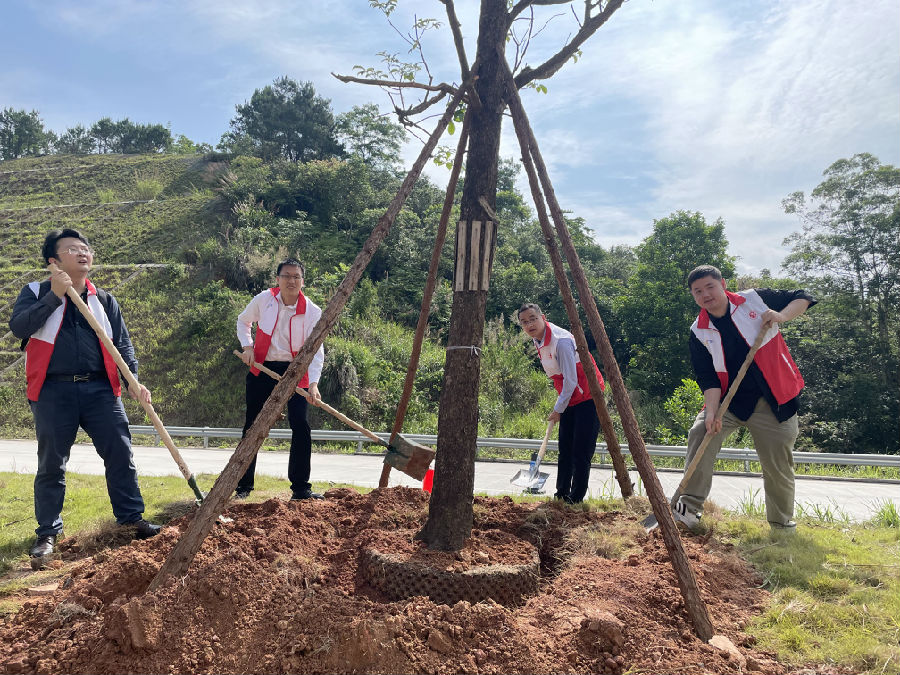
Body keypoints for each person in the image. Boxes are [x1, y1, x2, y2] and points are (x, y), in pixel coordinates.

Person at [9, 229, 161, 566]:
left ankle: (131, 519)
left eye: (85, 248)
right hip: (53, 390)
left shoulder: (103, 300)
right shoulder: (35, 292)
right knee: (52, 463)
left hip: (101, 390)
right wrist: (54, 296)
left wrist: (133, 380)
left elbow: (121, 343)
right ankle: (48, 533)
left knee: (120, 452)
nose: (82, 253)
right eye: (72, 249)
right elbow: (19, 327)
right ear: (53, 261)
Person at [675, 265, 815, 532]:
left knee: (777, 464)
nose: (705, 295)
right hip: (730, 402)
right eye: (698, 291)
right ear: (693, 296)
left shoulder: (754, 299)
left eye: (710, 287)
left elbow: (803, 297)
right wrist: (712, 413)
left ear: (723, 284)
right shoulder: (699, 331)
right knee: (700, 432)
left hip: (774, 398)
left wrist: (781, 315)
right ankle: (688, 510)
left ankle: (781, 525)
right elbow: (708, 378)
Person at [236, 258, 324, 500]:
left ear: (303, 281)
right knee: (252, 425)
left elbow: (317, 350)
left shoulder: (312, 311)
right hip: (263, 368)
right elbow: (243, 321)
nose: (291, 281)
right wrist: (247, 347)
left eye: (296, 276)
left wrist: (313, 384)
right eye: (286, 276)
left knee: (301, 424)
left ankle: (301, 488)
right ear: (278, 279)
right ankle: (243, 485)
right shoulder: (264, 300)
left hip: (296, 371)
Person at [517, 303, 605, 504]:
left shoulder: (561, 341)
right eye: (524, 322)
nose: (529, 324)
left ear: (543, 318)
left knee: (580, 451)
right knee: (565, 449)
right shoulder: (538, 340)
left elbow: (571, 380)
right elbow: (562, 379)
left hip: (588, 396)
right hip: (569, 396)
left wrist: (558, 409)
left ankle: (576, 499)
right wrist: (561, 405)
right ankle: (561, 495)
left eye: (533, 319)